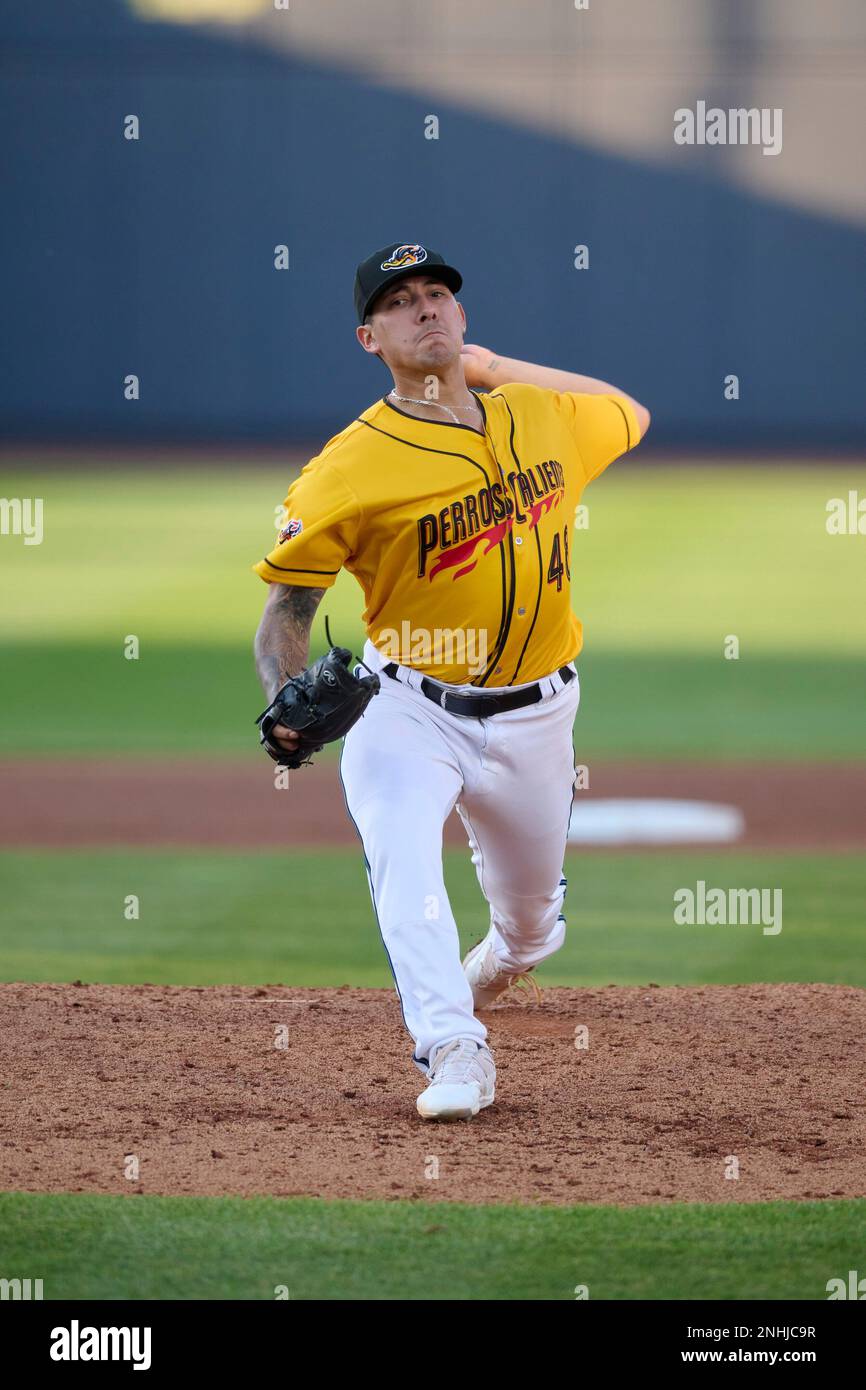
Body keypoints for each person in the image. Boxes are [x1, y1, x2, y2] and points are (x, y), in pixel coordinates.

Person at [253, 242, 650, 1121]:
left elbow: (629, 412)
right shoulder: (346, 470)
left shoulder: (541, 416)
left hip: (539, 716)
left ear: (463, 320)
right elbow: (286, 610)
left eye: (439, 295)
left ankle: (499, 962)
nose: (426, 308)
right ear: (370, 338)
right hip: (408, 708)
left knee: (531, 928)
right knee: (402, 861)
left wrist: (499, 369)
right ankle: (454, 1045)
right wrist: (284, 694)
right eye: (401, 302)